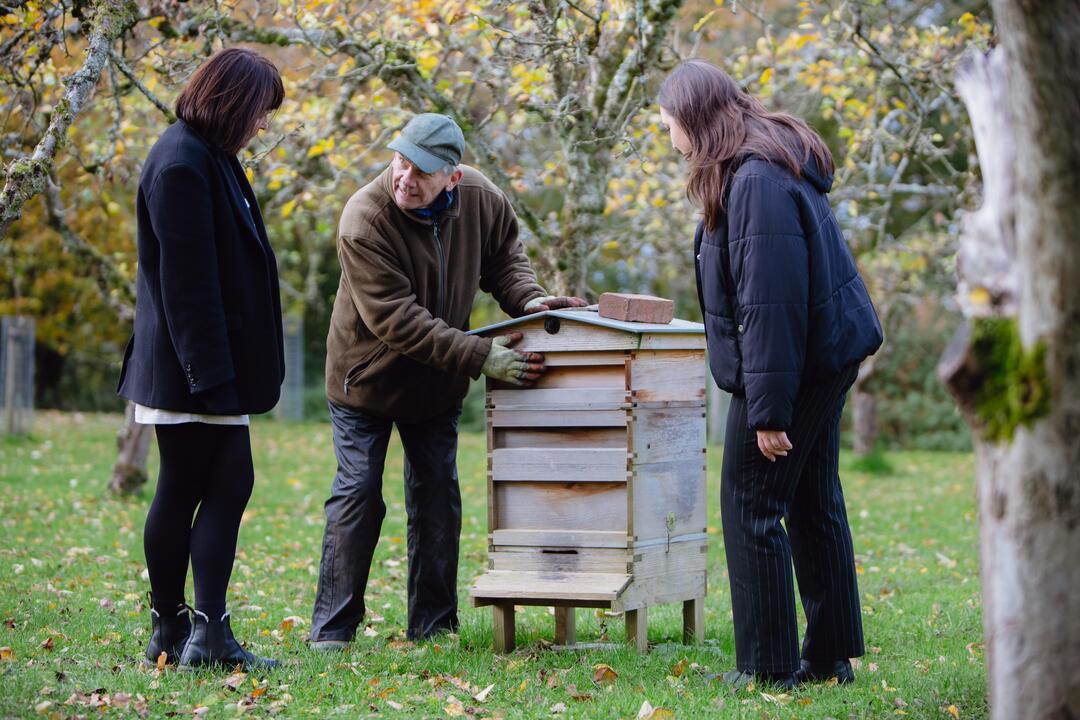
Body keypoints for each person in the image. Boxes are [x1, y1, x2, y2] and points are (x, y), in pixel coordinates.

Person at [308, 113, 585, 650]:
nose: (404, 179)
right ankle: (332, 632)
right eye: (399, 163)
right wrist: (481, 356)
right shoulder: (364, 219)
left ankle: (433, 625)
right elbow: (398, 319)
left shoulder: (482, 198)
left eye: (420, 172)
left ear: (452, 177)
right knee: (359, 493)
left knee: (437, 497)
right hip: (366, 380)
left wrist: (528, 301)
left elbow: (504, 257)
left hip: (437, 385)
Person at [658, 60, 883, 689]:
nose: (669, 135)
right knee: (812, 500)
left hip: (798, 366)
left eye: (670, 122)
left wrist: (769, 413)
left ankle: (769, 667)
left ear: (696, 120)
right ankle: (829, 656)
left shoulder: (755, 180)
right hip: (821, 356)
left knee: (750, 503)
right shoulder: (761, 162)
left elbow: (770, 304)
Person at [117, 47, 285, 670]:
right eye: (259, 113)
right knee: (207, 484)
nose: (261, 126)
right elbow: (187, 289)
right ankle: (194, 633)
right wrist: (212, 379)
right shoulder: (182, 163)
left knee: (196, 485)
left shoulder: (210, 156)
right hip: (195, 369)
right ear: (232, 101)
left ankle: (184, 631)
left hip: (206, 366)